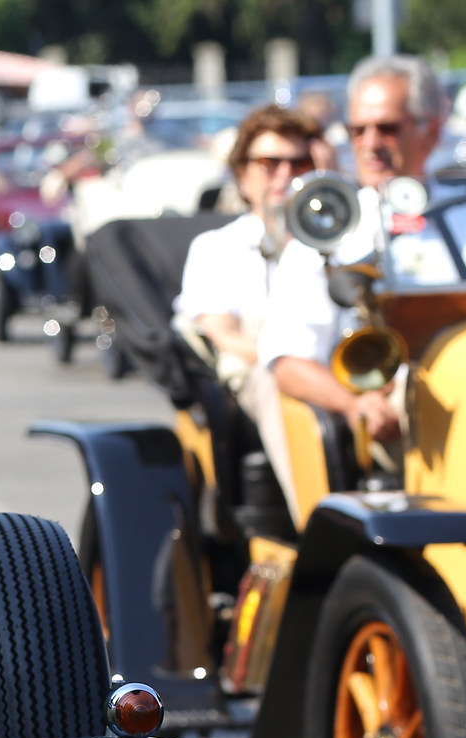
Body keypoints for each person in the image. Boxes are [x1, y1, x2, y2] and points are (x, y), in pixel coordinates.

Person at [248, 55, 443, 500]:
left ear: (430, 131)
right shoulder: (329, 234)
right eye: (358, 130)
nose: (370, 143)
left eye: (387, 128)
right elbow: (287, 357)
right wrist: (355, 403)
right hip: (397, 419)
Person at [175, 104, 321, 385]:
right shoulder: (216, 248)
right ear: (242, 175)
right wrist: (303, 374)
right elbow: (225, 336)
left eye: (300, 163)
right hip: (263, 378)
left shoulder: (340, 242)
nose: (285, 174)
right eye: (270, 163)